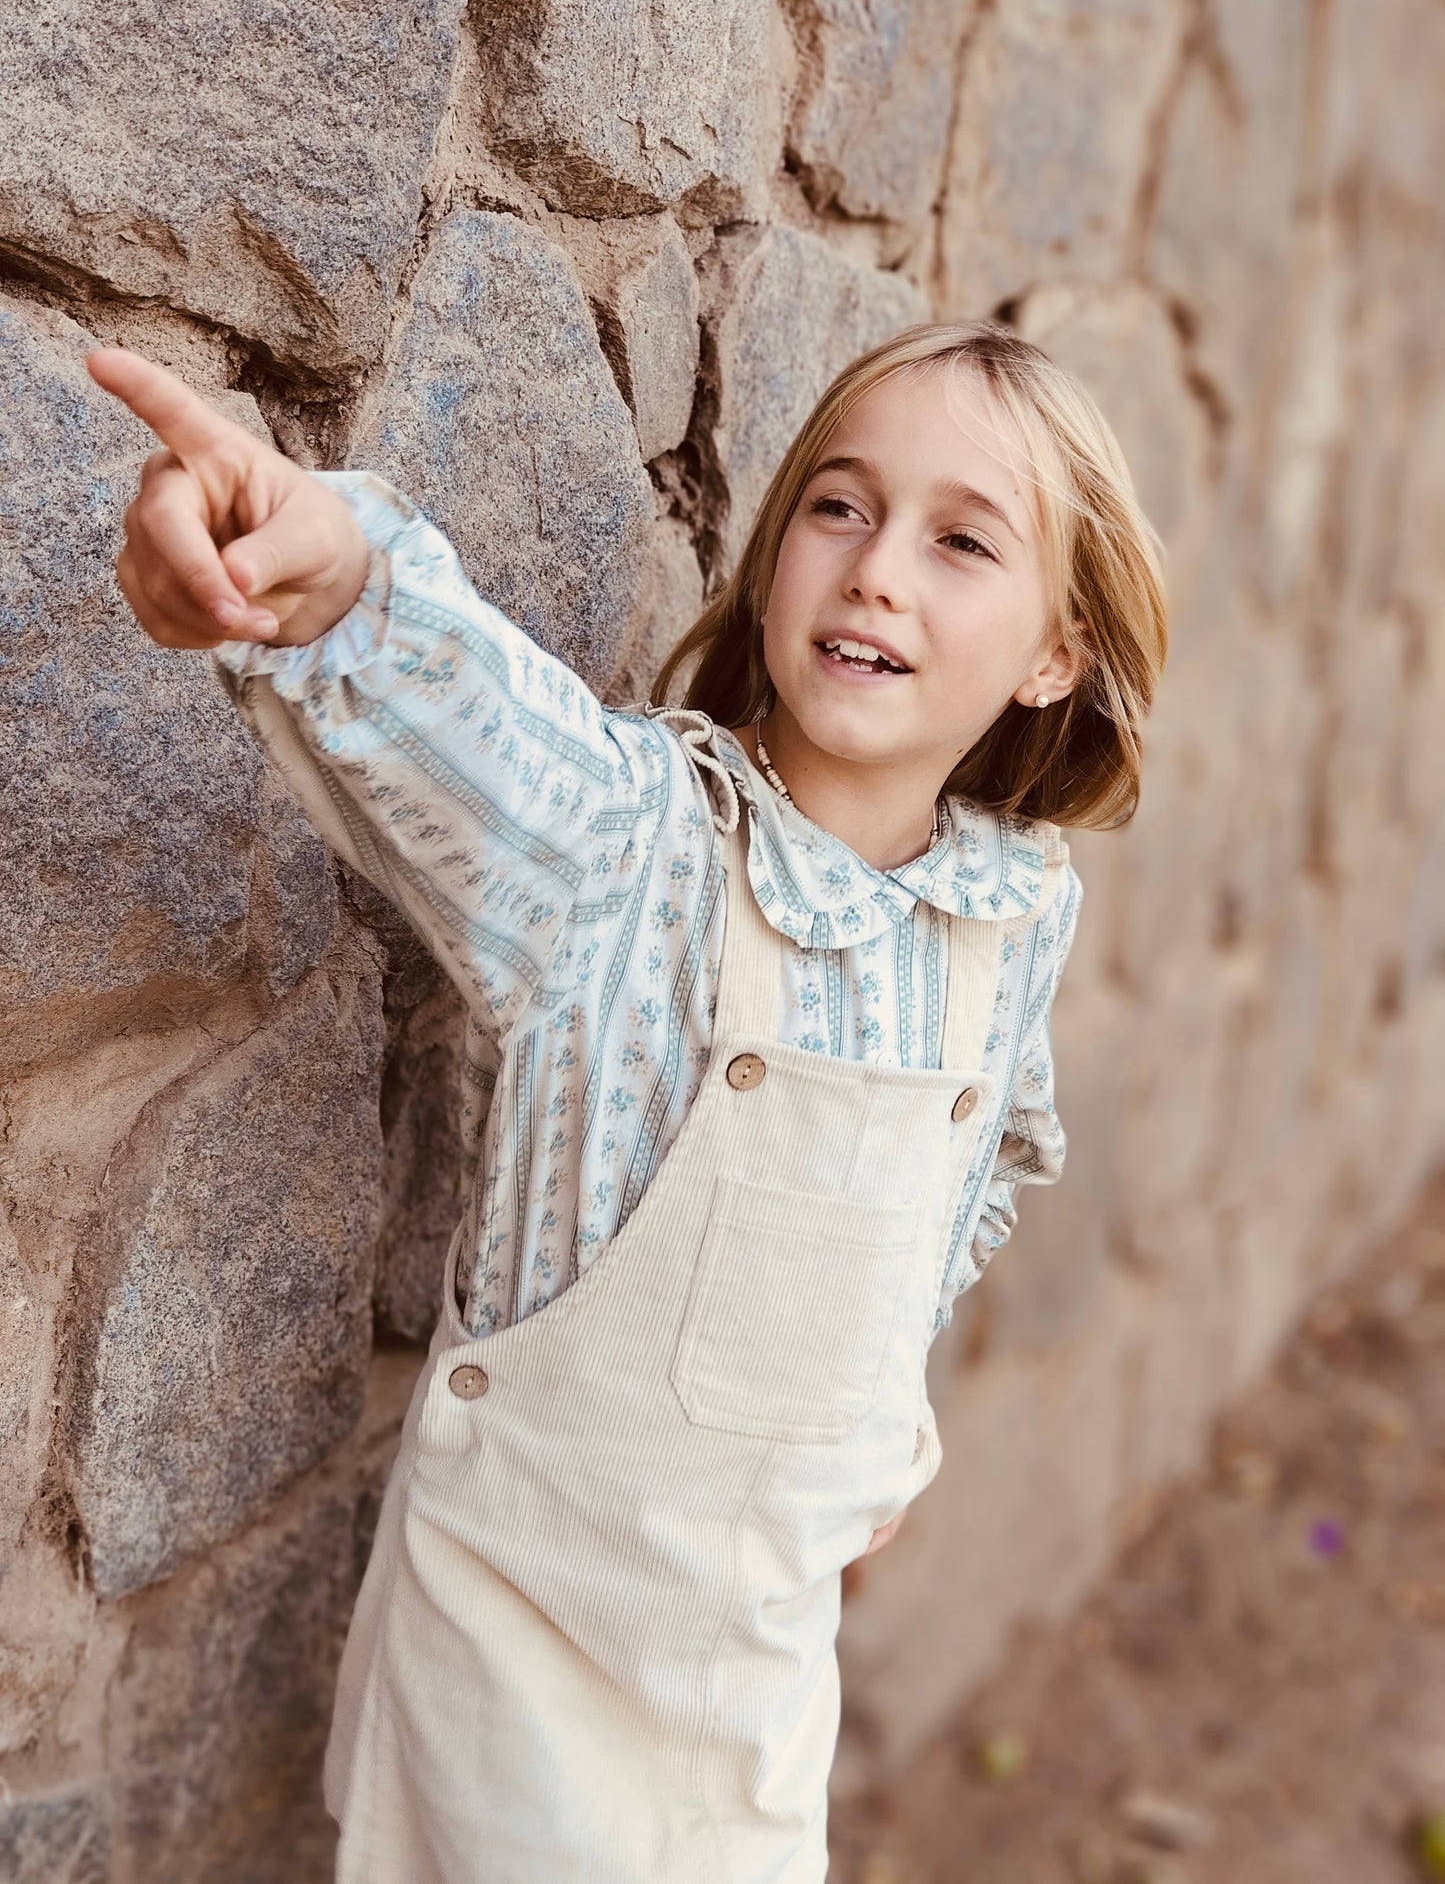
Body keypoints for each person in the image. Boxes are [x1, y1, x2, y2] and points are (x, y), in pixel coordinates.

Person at [88, 319, 1168, 1883]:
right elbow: (459, 702)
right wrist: (325, 573)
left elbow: (976, 1163)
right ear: (778, 553)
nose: (876, 571)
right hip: (520, 1667)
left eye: (960, 541)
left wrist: (872, 1421)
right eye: (839, 507)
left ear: (1054, 653)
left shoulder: (1010, 916)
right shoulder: (634, 848)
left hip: (754, 1677)